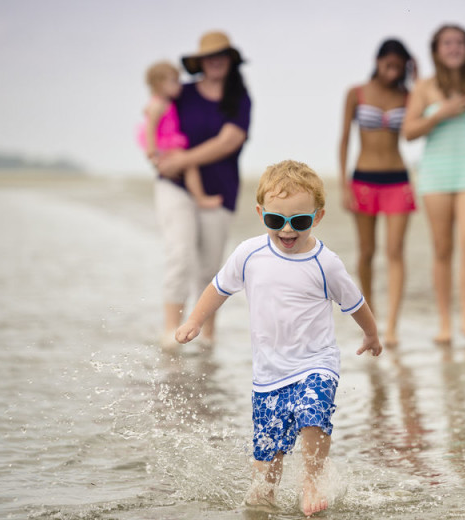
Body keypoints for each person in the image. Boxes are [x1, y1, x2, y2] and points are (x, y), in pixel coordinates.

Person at [175, 160, 383, 516]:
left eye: (299, 221)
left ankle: (313, 478)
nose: (287, 230)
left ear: (316, 218)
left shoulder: (325, 263)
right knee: (267, 460)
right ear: (261, 214)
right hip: (268, 374)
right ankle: (265, 496)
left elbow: (355, 302)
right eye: (276, 220)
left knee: (313, 414)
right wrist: (195, 319)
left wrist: (372, 333)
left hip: (316, 363)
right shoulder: (249, 254)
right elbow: (219, 287)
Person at [402, 24, 465, 345]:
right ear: (436, 50)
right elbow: (409, 132)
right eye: (447, 43)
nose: (454, 48)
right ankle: (445, 323)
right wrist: (440, 114)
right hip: (435, 175)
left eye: (460, 43)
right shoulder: (424, 87)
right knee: (442, 249)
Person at [153, 31, 252, 349]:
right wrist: (155, 154)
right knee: (179, 255)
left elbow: (230, 141)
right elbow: (152, 114)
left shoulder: (240, 98)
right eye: (210, 56)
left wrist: (182, 158)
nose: (216, 60)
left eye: (222, 55)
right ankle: (171, 332)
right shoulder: (181, 93)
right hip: (175, 186)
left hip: (219, 191)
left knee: (210, 267)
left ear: (231, 59)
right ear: (201, 62)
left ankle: (206, 337)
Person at [338, 39, 417, 347]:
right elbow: (344, 139)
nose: (393, 71)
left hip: (398, 179)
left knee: (395, 251)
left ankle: (393, 326)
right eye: (389, 65)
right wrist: (344, 184)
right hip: (364, 179)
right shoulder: (355, 94)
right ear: (377, 60)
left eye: (399, 66)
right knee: (367, 252)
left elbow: (414, 129)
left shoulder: (409, 95)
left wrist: (417, 76)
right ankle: (370, 319)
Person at [138, 61, 223, 209]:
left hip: (166, 142)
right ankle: (200, 197)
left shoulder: (166, 102)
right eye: (174, 81)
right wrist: (152, 151)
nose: (179, 85)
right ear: (160, 84)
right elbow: (150, 129)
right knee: (189, 163)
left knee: (187, 163)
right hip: (163, 144)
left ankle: (196, 197)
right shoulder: (157, 105)